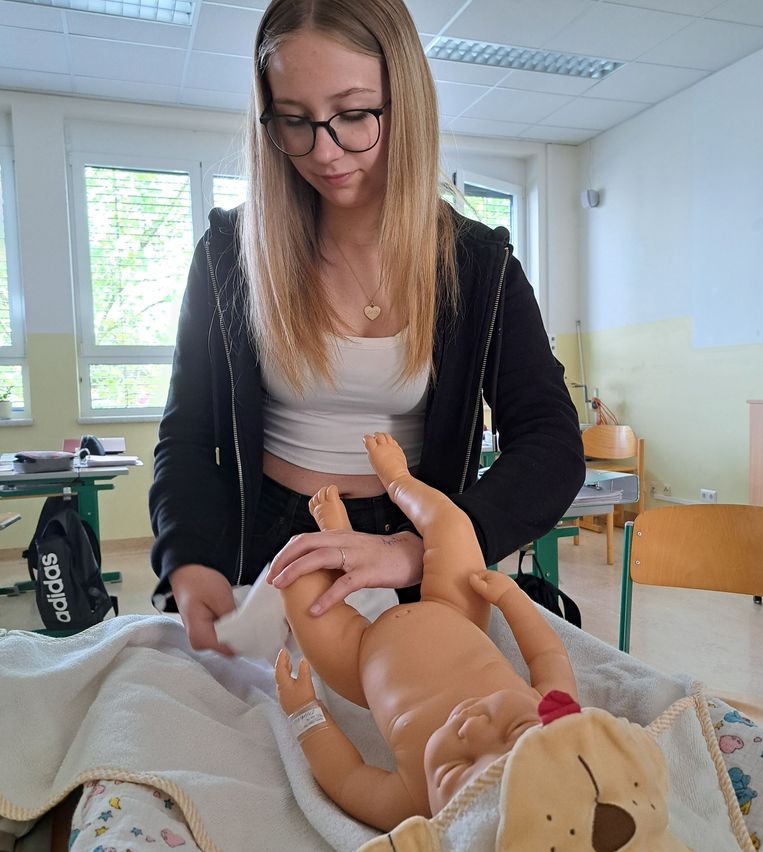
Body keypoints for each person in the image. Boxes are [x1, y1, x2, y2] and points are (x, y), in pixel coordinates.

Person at [149, 0, 585, 653]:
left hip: (412, 545)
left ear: (405, 101)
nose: (323, 152)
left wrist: (426, 544)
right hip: (266, 543)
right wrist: (187, 558)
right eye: (294, 121)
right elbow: (185, 437)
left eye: (353, 115)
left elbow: (552, 445)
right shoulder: (228, 253)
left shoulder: (478, 265)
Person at [276, 432, 578, 828]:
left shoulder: (413, 804)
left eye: (458, 767)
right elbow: (546, 654)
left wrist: (303, 712)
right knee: (452, 524)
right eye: (514, 728)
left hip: (360, 659)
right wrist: (512, 598)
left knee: (296, 575)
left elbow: (346, 777)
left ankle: (337, 539)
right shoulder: (558, 717)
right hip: (455, 611)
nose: (472, 727)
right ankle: (398, 480)